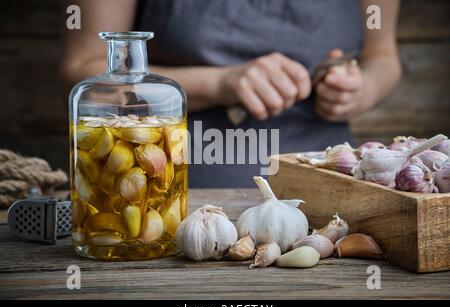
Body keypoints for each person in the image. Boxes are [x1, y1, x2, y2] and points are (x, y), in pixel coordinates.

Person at [62, 0, 401, 187]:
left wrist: (361, 89)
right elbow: (84, 67)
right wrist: (219, 84)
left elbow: (381, 57)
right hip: (174, 184)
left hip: (333, 184)